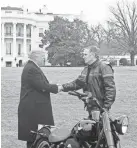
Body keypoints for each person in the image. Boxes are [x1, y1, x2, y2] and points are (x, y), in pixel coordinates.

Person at [18, 50, 62, 148]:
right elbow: (42, 85)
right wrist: (57, 88)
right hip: (34, 110)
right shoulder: (31, 69)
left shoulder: (31, 67)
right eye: (43, 57)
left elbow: (40, 84)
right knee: (35, 138)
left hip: (35, 108)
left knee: (36, 138)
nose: (45, 59)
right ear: (36, 57)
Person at [61, 45, 116, 120]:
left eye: (85, 54)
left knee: (104, 129)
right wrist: (62, 87)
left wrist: (105, 108)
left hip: (101, 106)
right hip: (90, 105)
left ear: (92, 55)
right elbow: (78, 83)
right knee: (90, 128)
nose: (83, 56)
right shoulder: (86, 69)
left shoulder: (104, 67)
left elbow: (110, 89)